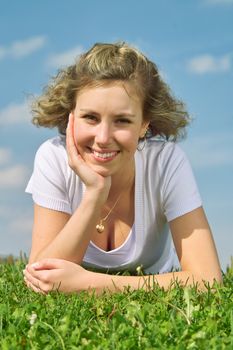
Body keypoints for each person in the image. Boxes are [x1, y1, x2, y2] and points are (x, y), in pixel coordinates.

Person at [23, 42, 222, 294]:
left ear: (143, 125)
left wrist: (91, 284)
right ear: (71, 116)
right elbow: (40, 277)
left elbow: (208, 281)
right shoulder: (52, 157)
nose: (103, 137)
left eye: (122, 121)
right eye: (90, 118)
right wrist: (94, 194)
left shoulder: (166, 162)